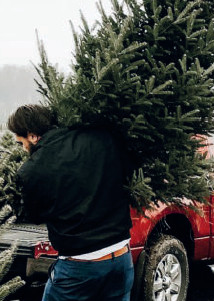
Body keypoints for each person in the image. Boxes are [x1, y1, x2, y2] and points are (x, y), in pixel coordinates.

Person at [7, 104, 134, 301]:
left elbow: (35, 215)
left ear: (32, 136)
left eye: (21, 141)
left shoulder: (32, 171)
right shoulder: (100, 137)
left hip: (79, 268)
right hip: (121, 258)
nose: (23, 148)